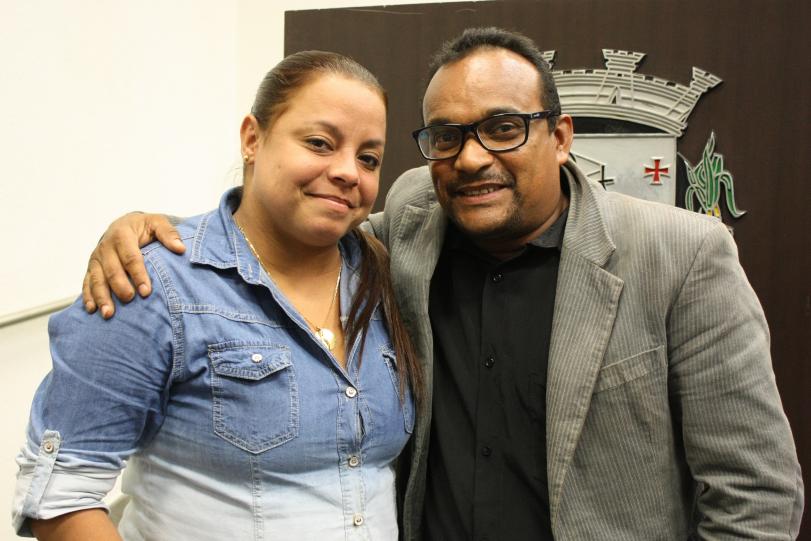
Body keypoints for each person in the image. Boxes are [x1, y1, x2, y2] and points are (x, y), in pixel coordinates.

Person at [77, 28, 804, 540]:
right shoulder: (410, 222)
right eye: (446, 136)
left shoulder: (682, 255)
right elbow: (291, 226)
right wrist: (147, 229)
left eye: (504, 128)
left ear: (560, 137)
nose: (471, 157)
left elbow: (754, 494)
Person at [13, 50, 423, 540]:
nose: (348, 172)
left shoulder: (383, 274)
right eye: (319, 143)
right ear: (253, 138)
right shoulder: (151, 285)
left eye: (368, 158)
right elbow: (62, 499)